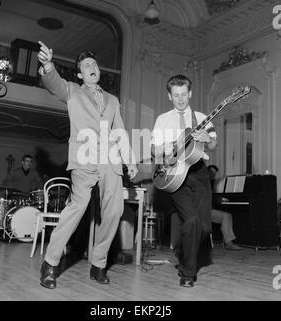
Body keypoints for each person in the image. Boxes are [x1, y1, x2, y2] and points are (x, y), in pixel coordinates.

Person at [37, 41, 138, 289]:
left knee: (114, 211)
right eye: (86, 65)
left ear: (99, 71)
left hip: (110, 161)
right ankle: (50, 263)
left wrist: (129, 159)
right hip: (84, 157)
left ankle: (98, 264)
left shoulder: (113, 100)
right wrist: (48, 65)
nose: (92, 67)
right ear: (81, 74)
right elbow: (54, 84)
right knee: (78, 207)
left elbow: (120, 130)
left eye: (94, 64)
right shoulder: (73, 91)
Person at [151, 74, 217, 287]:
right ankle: (189, 274)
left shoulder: (201, 117)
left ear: (190, 93)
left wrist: (208, 139)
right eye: (175, 95)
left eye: (183, 94)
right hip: (176, 176)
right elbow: (154, 149)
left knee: (204, 228)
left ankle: (183, 253)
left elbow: (214, 144)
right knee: (191, 221)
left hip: (199, 174)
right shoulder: (163, 119)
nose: (180, 99)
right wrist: (165, 150)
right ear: (169, 96)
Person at [207, 165, 241, 250]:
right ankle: (229, 243)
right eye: (212, 173)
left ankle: (228, 242)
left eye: (214, 173)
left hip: (208, 210)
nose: (213, 175)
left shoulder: (209, 184)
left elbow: (212, 198)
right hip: (202, 211)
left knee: (227, 216)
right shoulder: (204, 182)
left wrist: (222, 199)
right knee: (226, 216)